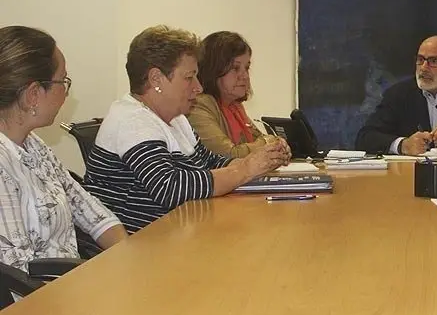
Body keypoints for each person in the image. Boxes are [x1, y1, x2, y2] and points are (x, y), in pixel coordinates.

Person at [85, 26, 291, 233]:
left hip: (178, 235)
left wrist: (262, 162)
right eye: (189, 77)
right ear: (156, 79)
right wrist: (245, 170)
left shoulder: (176, 119)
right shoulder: (132, 120)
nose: (198, 87)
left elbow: (210, 162)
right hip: (139, 249)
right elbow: (170, 188)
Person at [0, 26, 126, 272]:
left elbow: (86, 207)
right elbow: (16, 274)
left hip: (69, 284)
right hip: (39, 301)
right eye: (62, 81)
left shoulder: (34, 144)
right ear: (33, 94)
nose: (66, 93)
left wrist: (127, 252)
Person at [188, 31, 286, 158]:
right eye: (235, 68)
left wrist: (278, 146)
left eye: (247, 68)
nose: (245, 76)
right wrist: (269, 143)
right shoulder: (198, 105)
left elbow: (262, 142)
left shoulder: (235, 106)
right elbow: (228, 155)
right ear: (213, 69)